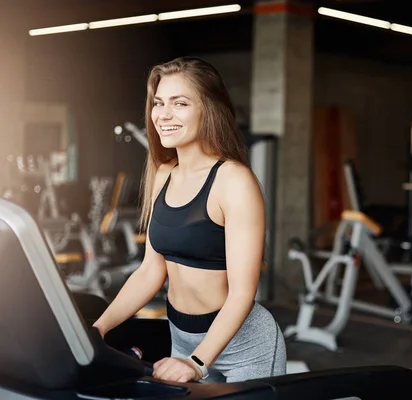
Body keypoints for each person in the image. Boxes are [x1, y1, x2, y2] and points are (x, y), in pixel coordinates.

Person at [93, 56, 287, 383]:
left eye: (179, 103)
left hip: (245, 347)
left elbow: (242, 293)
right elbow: (151, 270)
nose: (163, 114)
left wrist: (197, 363)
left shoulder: (234, 181)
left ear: (208, 109)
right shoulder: (163, 175)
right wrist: (98, 328)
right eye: (158, 103)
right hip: (183, 340)